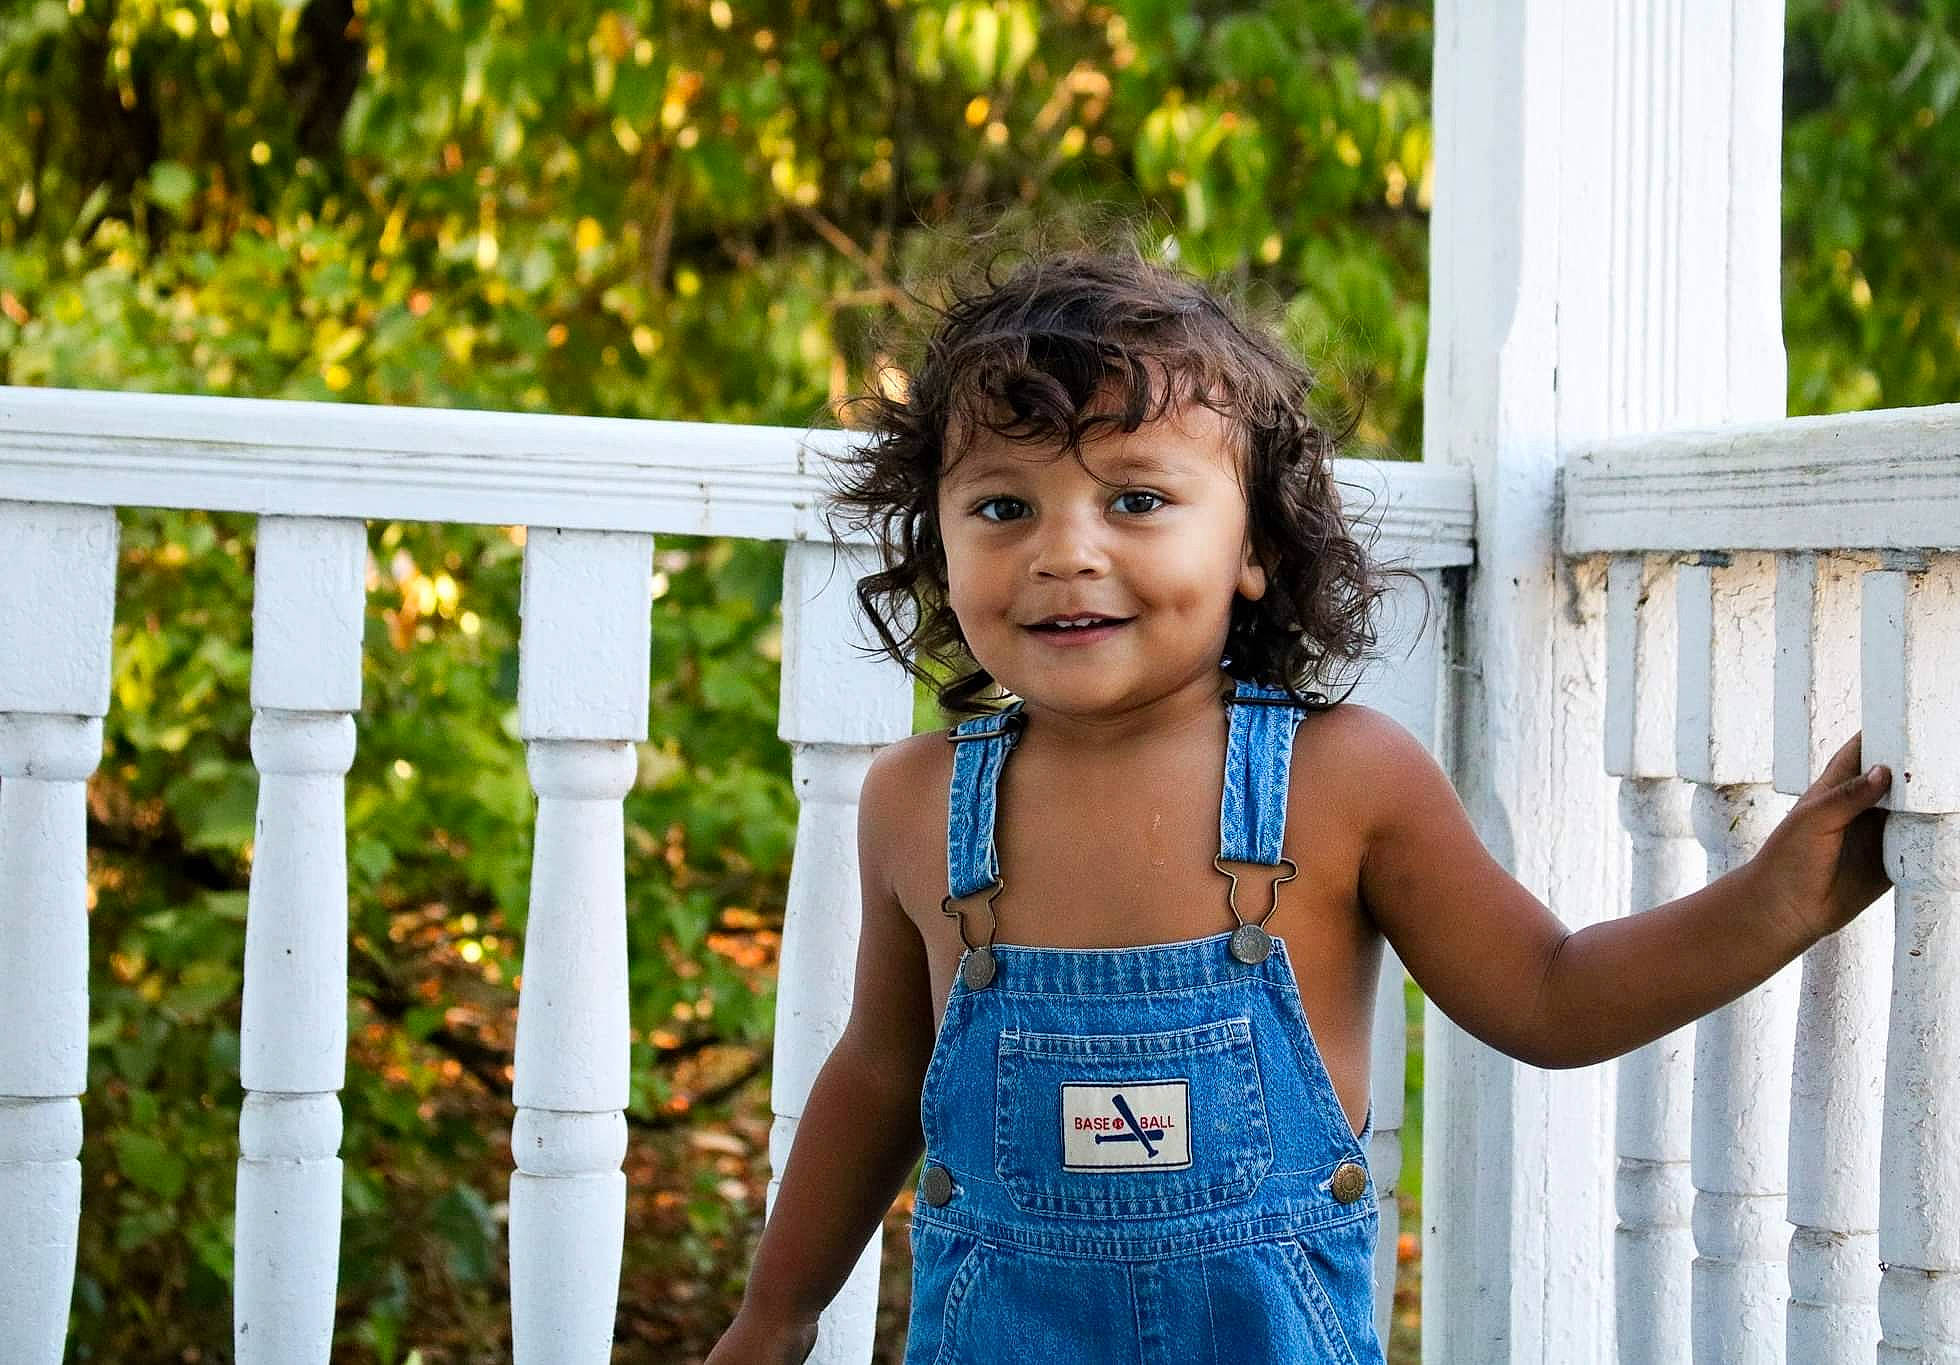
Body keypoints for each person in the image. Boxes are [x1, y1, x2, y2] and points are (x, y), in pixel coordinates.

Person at [705, 247, 1892, 1364]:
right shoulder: (916, 801)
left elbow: (1545, 992)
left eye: (1134, 501)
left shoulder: (1344, 780)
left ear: (1252, 546)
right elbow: (873, 1074)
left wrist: (1770, 902)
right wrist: (775, 1314)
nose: (1063, 552)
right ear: (940, 544)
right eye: (1003, 508)